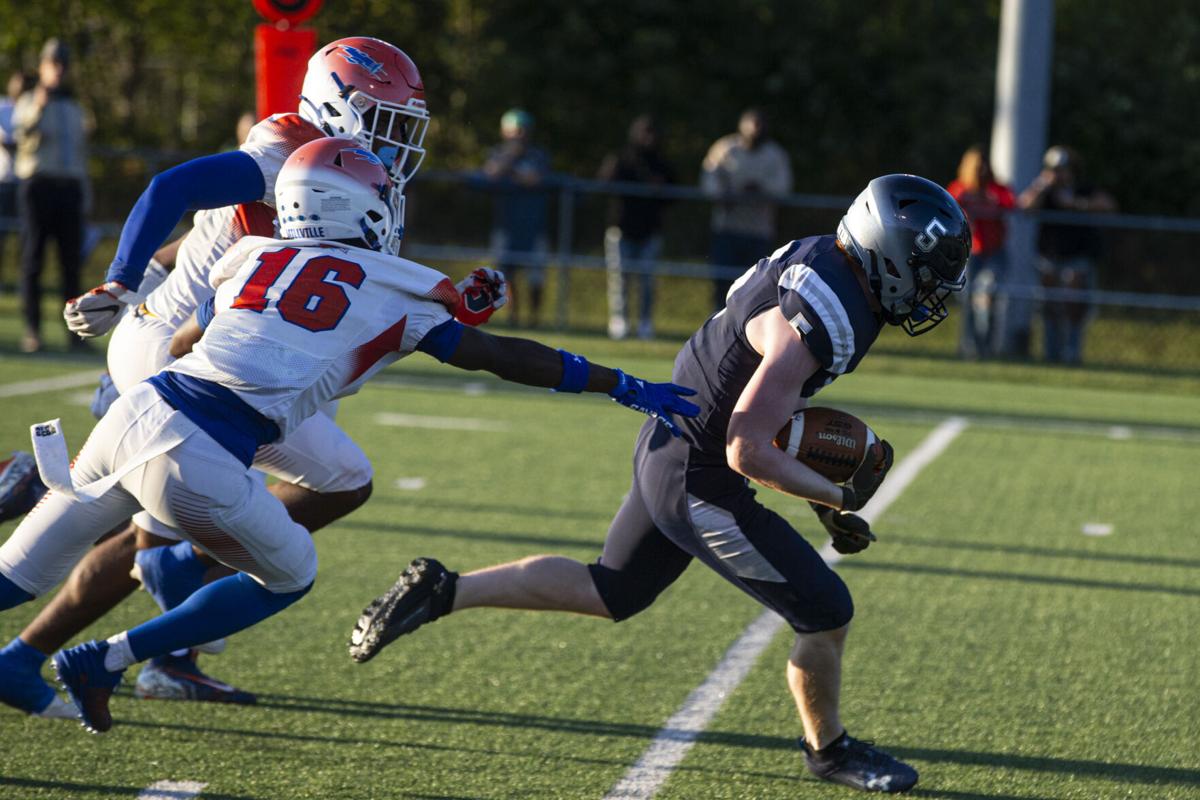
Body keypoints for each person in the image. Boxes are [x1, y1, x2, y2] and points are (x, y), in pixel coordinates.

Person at [0, 136, 699, 736]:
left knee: (17, 572)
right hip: (199, 451)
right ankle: (109, 658)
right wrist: (619, 383)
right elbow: (501, 357)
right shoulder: (399, 286)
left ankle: (94, 614)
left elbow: (188, 339)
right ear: (359, 206)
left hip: (137, 412)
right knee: (291, 574)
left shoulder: (254, 254)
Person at [348, 174, 971, 794]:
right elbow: (747, 447)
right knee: (828, 611)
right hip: (701, 475)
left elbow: (765, 413)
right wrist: (837, 496)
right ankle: (828, 751)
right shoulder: (829, 314)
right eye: (925, 272)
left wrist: (819, 500)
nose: (931, 291)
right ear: (887, 256)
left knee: (613, 589)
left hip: (670, 434)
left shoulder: (820, 256)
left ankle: (442, 590)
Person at [0, 36, 433, 717]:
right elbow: (173, 187)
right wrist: (121, 279)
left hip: (199, 342)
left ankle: (96, 624)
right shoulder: (286, 149)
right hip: (175, 349)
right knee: (143, 511)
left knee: (337, 479)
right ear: (336, 105)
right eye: (383, 118)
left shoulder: (343, 171)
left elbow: (209, 237)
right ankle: (94, 581)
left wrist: (143, 273)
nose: (395, 139)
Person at [13, 39, 88, 353]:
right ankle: (33, 330)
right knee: (33, 260)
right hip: (38, 186)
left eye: (62, 65)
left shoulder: (73, 107)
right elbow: (20, 136)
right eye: (52, 64)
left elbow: (80, 155)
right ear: (42, 66)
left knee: (71, 264)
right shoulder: (29, 101)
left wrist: (86, 194)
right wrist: (39, 107)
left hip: (68, 188)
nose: (58, 70)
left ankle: (75, 334)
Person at [1018, 146, 1116, 365]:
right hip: (1049, 256)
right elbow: (1024, 206)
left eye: (1062, 169)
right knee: (1049, 304)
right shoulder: (1045, 191)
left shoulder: (1083, 189)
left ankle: (1072, 352)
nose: (1058, 174)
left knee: (1074, 304)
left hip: (1078, 255)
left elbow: (1108, 205)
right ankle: (1051, 353)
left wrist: (1075, 204)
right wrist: (1041, 185)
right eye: (1053, 169)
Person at [701, 108, 792, 311]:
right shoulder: (726, 149)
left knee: (756, 283)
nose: (755, 129)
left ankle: (748, 325)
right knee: (722, 280)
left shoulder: (775, 155)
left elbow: (783, 187)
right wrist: (725, 195)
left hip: (758, 231)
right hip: (727, 228)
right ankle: (718, 321)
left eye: (760, 123)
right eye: (752, 123)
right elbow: (709, 180)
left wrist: (760, 190)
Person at [598, 114, 675, 340]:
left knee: (647, 281)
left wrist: (661, 188)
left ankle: (644, 323)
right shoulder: (621, 158)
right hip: (621, 229)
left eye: (652, 133)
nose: (648, 138)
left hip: (650, 231)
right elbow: (604, 183)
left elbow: (675, 193)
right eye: (644, 132)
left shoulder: (662, 163)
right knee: (619, 278)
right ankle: (619, 321)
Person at [481, 109, 551, 327]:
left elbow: (535, 179)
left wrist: (514, 174)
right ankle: (513, 317)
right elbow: (491, 174)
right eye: (514, 131)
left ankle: (534, 319)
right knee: (506, 272)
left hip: (533, 226)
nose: (519, 136)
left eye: (522, 131)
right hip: (506, 224)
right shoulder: (498, 153)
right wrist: (510, 158)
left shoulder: (538, 155)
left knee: (536, 276)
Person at [947, 145, 1015, 359]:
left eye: (984, 165)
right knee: (968, 299)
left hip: (994, 252)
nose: (982, 170)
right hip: (970, 253)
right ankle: (969, 348)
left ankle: (986, 347)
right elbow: (949, 204)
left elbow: (1011, 203)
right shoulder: (960, 188)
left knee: (989, 295)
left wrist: (988, 201)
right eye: (977, 167)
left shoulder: (996, 189)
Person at [0, 72, 33, 290]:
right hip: (4, 180)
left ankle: (24, 285)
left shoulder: (33, 108)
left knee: (27, 238)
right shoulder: (3, 108)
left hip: (26, 182)